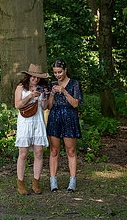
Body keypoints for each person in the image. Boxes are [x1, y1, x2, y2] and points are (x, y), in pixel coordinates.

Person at [47, 59, 83, 192]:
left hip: (69, 117)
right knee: (54, 151)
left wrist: (64, 91)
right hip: (54, 117)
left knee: (71, 151)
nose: (58, 75)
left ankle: (72, 182)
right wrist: (52, 93)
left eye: (60, 72)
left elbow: (75, 104)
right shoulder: (52, 85)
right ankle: (53, 182)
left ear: (65, 70)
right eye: (55, 72)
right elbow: (49, 106)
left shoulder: (74, 84)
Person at [15, 63, 49, 195]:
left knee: (39, 152)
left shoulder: (42, 88)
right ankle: (21, 183)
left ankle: (36, 182)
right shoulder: (21, 87)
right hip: (25, 123)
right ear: (28, 76)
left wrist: (44, 97)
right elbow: (17, 105)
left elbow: (45, 107)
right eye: (33, 76)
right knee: (23, 154)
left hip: (38, 122)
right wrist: (30, 96)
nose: (35, 79)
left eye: (37, 77)